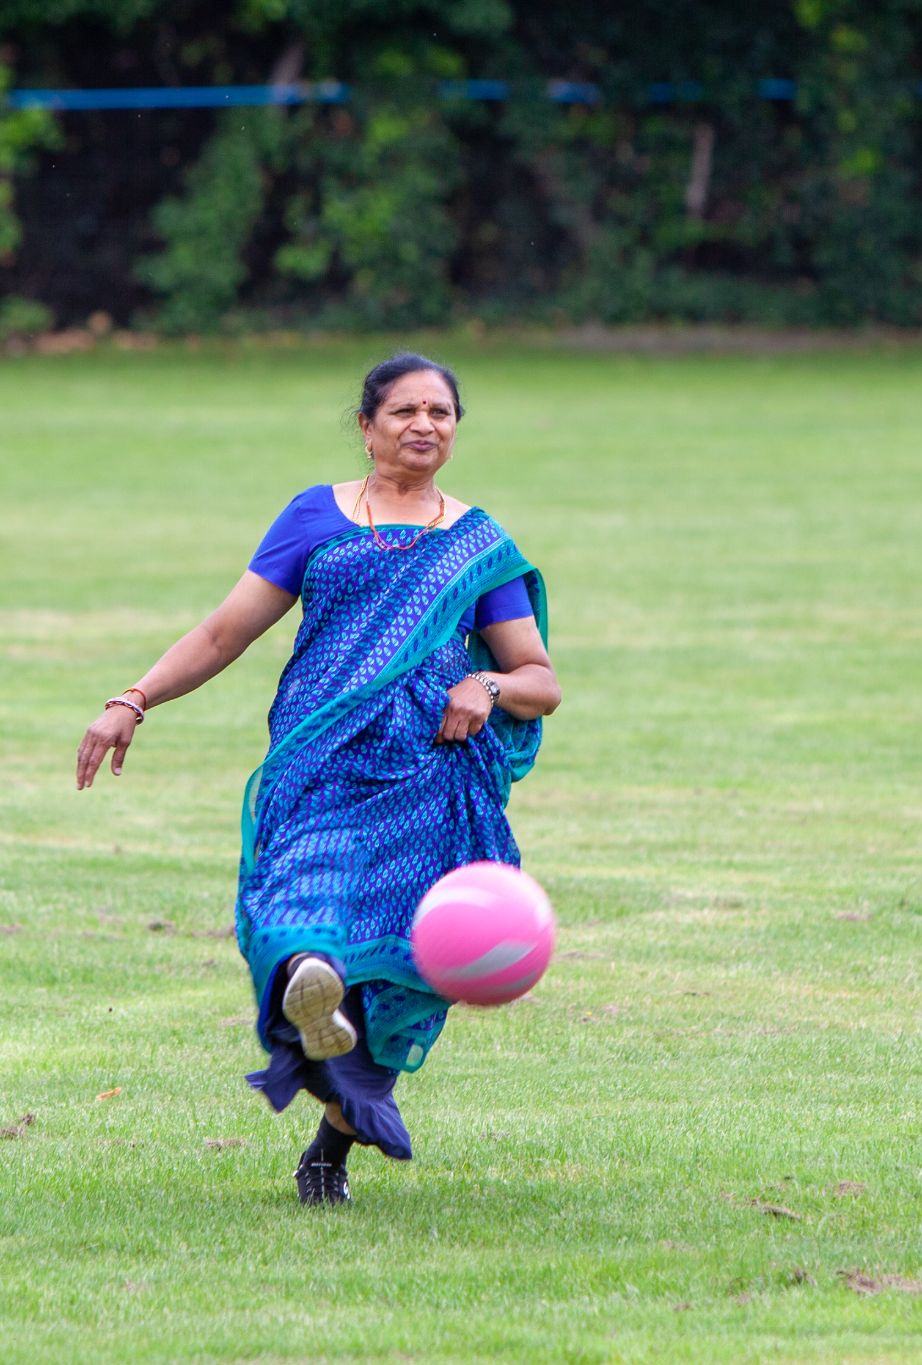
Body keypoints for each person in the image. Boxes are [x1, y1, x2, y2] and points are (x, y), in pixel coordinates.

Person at [74, 352, 560, 1206]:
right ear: (367, 426)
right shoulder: (314, 516)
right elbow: (224, 634)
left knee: (410, 970)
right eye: (404, 410)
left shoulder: (477, 543)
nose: (423, 425)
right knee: (294, 894)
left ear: (454, 429)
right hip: (322, 757)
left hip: (431, 776)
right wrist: (134, 697)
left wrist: (484, 685)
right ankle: (307, 982)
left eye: (440, 413)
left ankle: (330, 1145)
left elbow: (538, 679)